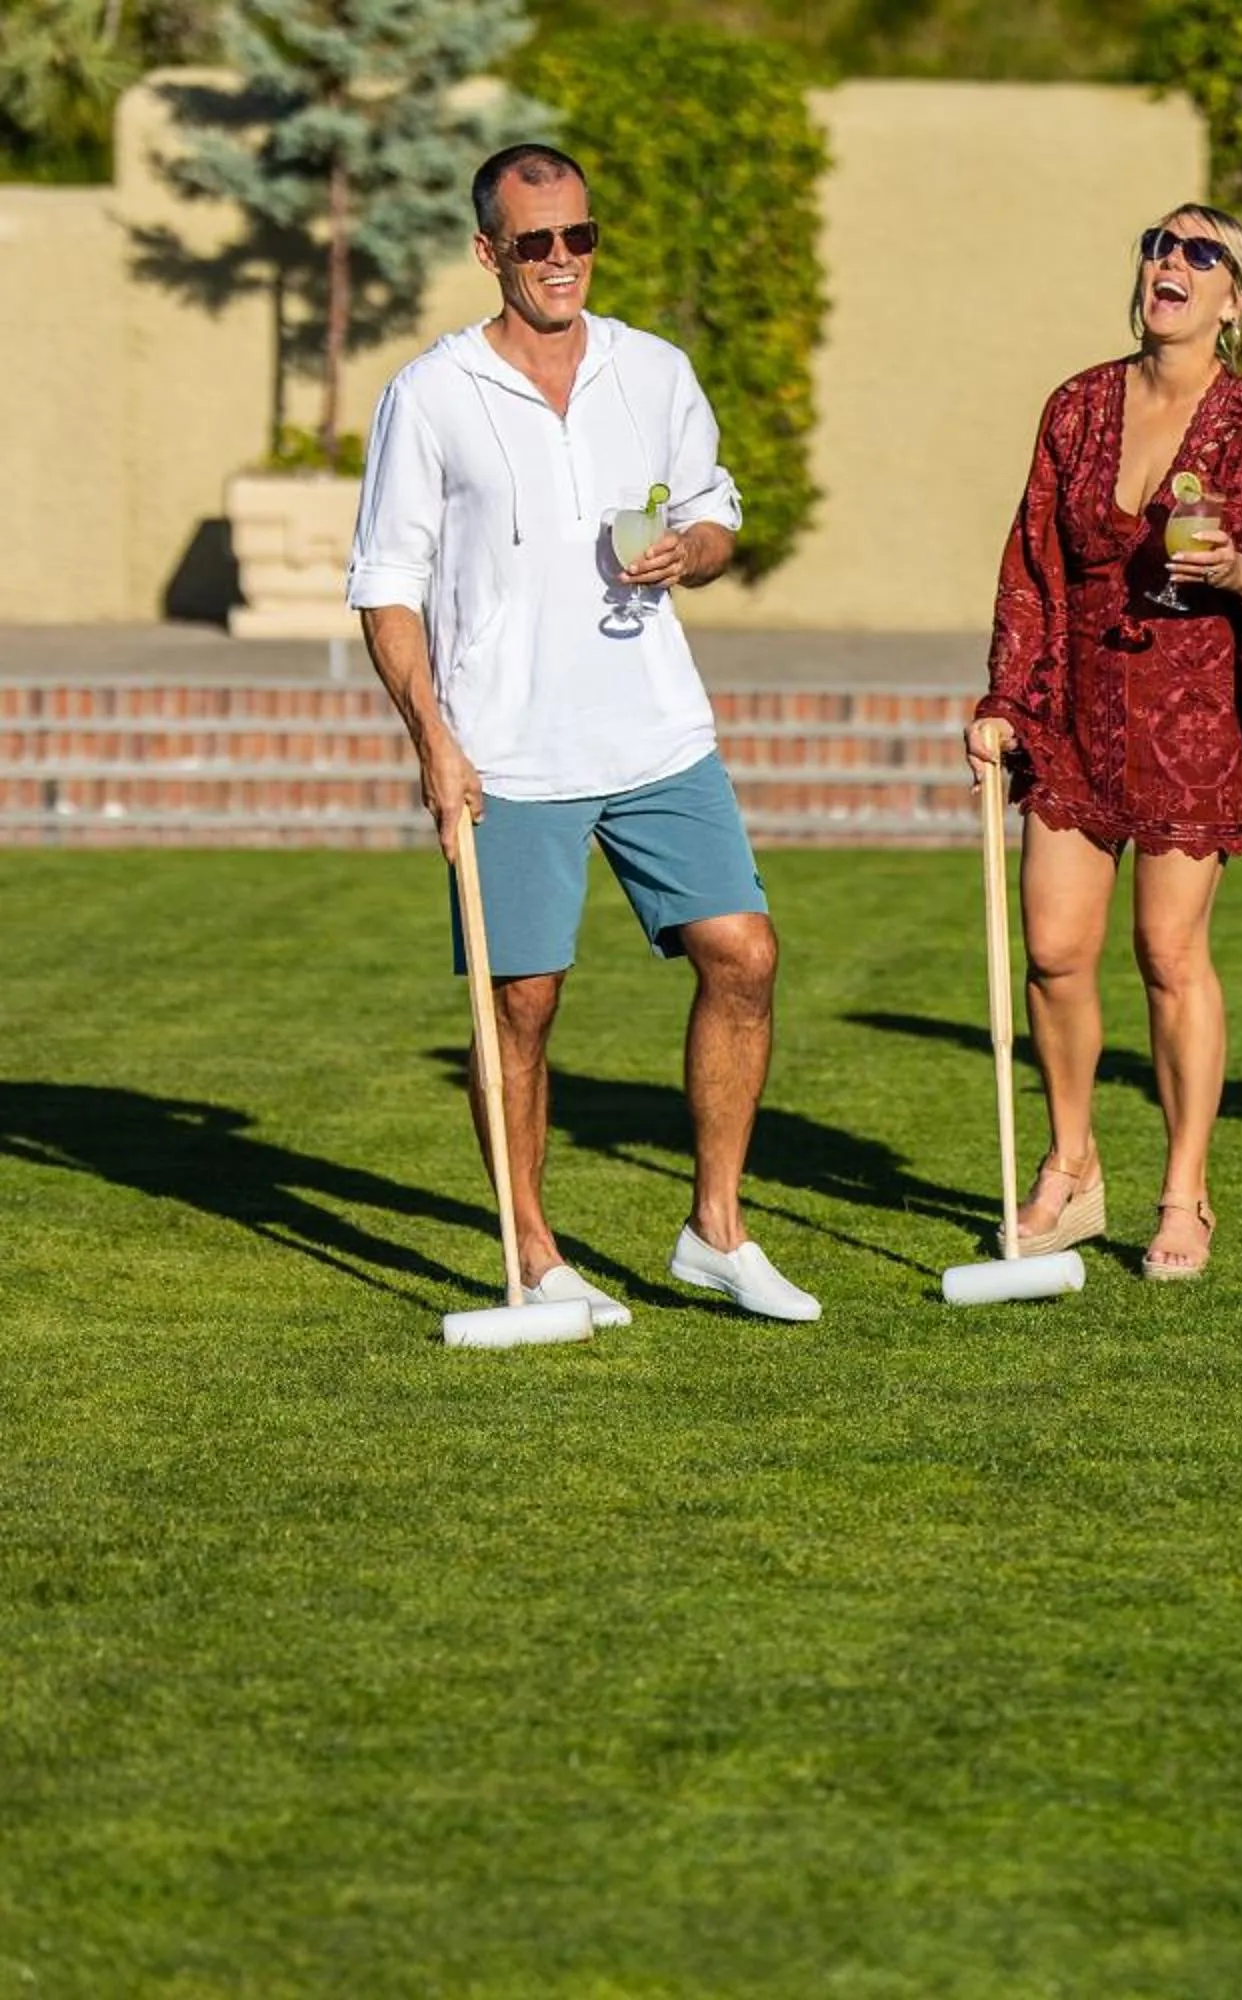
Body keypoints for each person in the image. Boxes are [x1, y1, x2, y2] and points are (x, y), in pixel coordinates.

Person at [349, 142, 819, 1326]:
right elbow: (385, 584)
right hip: (507, 750)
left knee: (746, 954)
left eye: (579, 237)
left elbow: (714, 508)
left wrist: (692, 550)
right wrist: (432, 740)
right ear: (489, 253)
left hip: (657, 729)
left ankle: (716, 1230)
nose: (563, 262)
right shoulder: (434, 393)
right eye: (535, 243)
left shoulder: (652, 371)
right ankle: (535, 1253)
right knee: (523, 1005)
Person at [963, 205, 1242, 1281]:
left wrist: (1240, 574)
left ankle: (1185, 1189)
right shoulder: (1077, 406)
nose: (1171, 264)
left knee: (1169, 958)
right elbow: (1032, 561)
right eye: (1159, 247)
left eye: (1200, 253)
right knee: (1054, 951)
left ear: (1233, 297)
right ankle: (1072, 1164)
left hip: (1190, 717)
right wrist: (1004, 699)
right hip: (1077, 711)